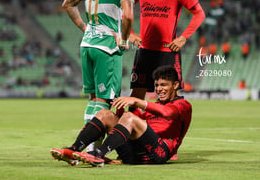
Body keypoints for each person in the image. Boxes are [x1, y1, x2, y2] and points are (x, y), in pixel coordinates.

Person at [61, 0, 135, 140]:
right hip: (107, 47)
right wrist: (124, 40)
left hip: (87, 44)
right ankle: (92, 150)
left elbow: (67, 4)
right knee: (104, 100)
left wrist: (84, 26)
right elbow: (128, 16)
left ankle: (86, 146)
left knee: (93, 98)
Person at [50, 65, 192, 167]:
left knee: (130, 117)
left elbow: (168, 112)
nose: (159, 89)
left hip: (158, 154)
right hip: (134, 155)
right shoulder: (154, 105)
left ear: (175, 85)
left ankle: (98, 154)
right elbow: (131, 124)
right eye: (157, 85)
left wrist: (136, 101)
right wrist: (119, 108)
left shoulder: (183, 105)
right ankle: (73, 150)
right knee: (105, 114)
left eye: (164, 85)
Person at [129, 0, 205, 100]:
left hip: (167, 52)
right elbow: (123, 10)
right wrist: (130, 34)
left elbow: (199, 13)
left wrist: (183, 37)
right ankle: (131, 125)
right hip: (144, 50)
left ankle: (166, 126)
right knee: (136, 95)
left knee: (171, 97)